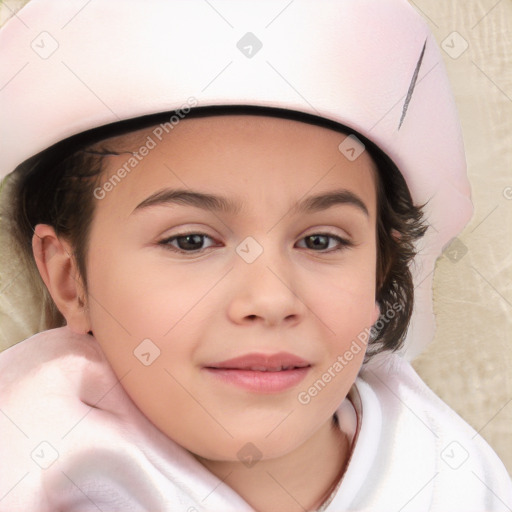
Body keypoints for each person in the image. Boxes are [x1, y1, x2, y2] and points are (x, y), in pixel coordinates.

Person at [0, 1, 510, 511]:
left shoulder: (452, 472)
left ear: (380, 271)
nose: (269, 300)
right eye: (191, 241)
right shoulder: (35, 472)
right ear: (70, 280)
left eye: (320, 241)